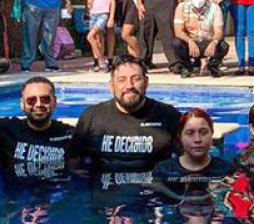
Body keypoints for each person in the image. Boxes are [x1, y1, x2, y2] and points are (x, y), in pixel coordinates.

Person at [70, 55, 182, 190]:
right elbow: (72, 161)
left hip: (153, 197)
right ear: (111, 86)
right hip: (105, 197)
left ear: (146, 82)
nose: (129, 86)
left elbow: (189, 159)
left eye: (136, 79)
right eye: (121, 80)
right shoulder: (92, 117)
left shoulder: (168, 115)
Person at [0, 77, 73, 183]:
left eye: (45, 99)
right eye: (31, 100)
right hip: (19, 196)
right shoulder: (6, 129)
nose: (38, 104)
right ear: (22, 104)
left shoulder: (69, 135)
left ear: (54, 102)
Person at [153, 109, 235, 200]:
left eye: (203, 132)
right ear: (180, 137)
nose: (197, 139)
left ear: (211, 134)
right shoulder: (163, 170)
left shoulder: (226, 169)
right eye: (190, 133)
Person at [172, 0, 229, 78]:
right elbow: (178, 31)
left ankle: (213, 66)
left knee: (223, 45)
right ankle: (186, 67)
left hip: (207, 42)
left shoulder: (214, 8)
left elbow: (219, 31)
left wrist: (214, 42)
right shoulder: (181, 7)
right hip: (190, 43)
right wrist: (189, 41)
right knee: (176, 43)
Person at [85, 0, 116, 72]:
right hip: (93, 14)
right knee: (98, 39)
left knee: (90, 36)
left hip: (103, 14)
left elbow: (112, 2)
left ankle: (102, 61)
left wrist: (111, 17)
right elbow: (89, 4)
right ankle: (99, 62)